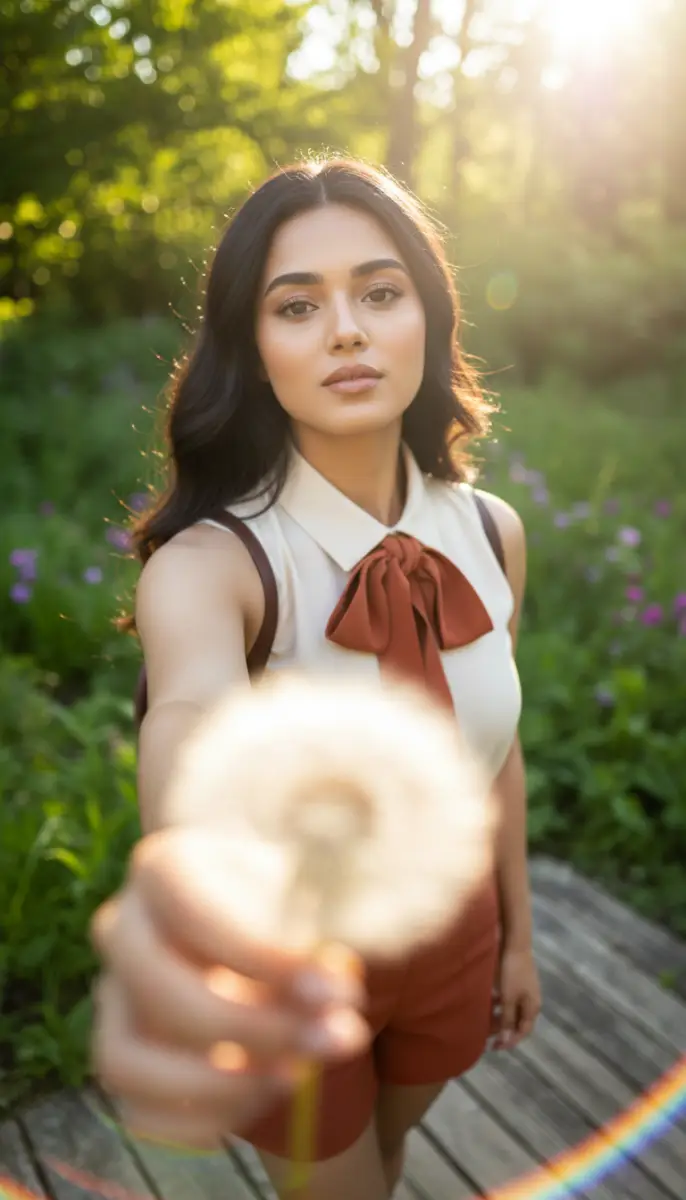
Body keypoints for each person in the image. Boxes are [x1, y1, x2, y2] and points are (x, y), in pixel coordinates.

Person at [90, 156, 541, 1200]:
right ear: (252, 350)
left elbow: (495, 747)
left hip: (455, 932)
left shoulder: (491, 533)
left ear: (424, 319)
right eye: (296, 306)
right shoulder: (210, 568)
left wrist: (517, 936)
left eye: (378, 293)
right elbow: (190, 723)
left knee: (380, 1170)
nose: (345, 328)